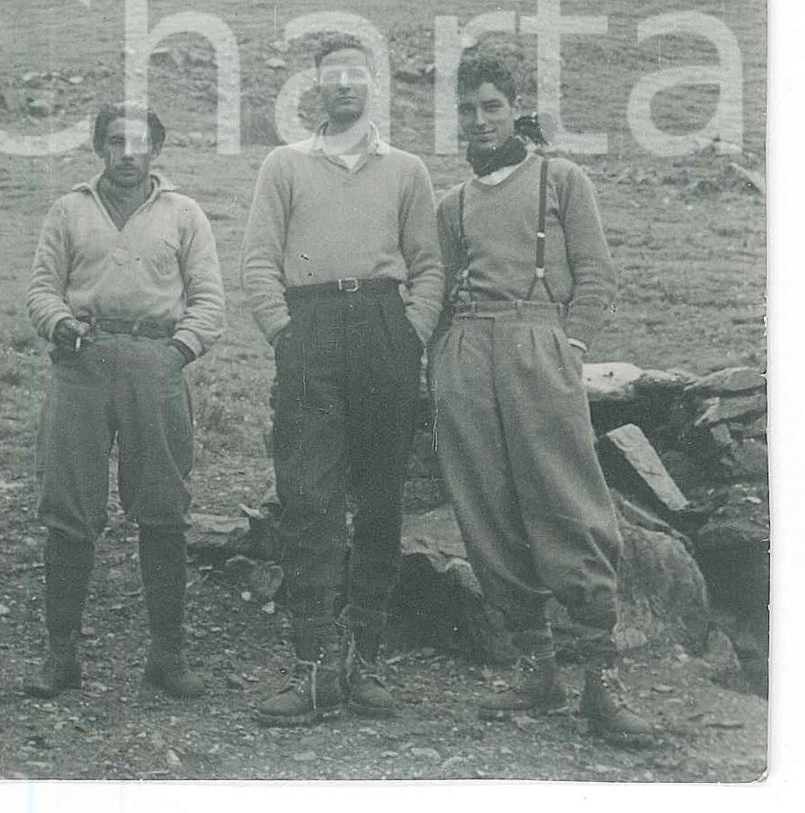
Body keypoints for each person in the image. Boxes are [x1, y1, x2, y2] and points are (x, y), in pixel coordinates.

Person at [428, 48, 654, 746]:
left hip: (538, 347)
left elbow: (597, 276)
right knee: (486, 506)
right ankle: (537, 666)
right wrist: (439, 360)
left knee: (566, 499)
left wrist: (568, 347)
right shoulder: (453, 202)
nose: (480, 120)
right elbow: (437, 291)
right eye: (467, 109)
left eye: (492, 105)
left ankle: (601, 680)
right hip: (467, 354)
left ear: (514, 104)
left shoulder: (562, 178)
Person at [241, 37, 444, 725]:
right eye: (334, 78)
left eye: (359, 76)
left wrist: (411, 329)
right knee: (308, 495)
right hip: (312, 329)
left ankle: (367, 662)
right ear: (315, 89)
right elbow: (259, 261)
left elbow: (430, 264)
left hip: (386, 328)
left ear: (375, 86)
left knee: (381, 498)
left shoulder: (408, 169)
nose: (346, 88)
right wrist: (284, 334)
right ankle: (313, 669)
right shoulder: (285, 165)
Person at [24, 102, 225, 700]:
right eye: (116, 142)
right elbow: (40, 289)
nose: (128, 154)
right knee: (69, 509)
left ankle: (168, 656)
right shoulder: (69, 210)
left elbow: (209, 300)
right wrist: (60, 325)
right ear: (100, 148)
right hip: (81, 368)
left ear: (155, 150)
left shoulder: (184, 214)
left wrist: (176, 353)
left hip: (154, 367)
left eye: (139, 143)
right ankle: (61, 656)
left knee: (163, 508)